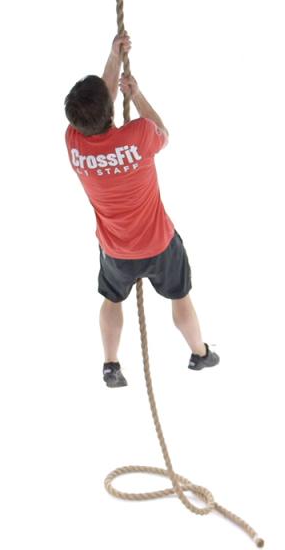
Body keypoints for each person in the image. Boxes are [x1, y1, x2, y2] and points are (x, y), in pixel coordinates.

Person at [64, 32, 220, 388]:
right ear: (110, 111)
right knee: (180, 296)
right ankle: (199, 352)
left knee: (111, 299)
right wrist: (136, 95)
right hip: (159, 243)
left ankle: (110, 364)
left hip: (116, 249)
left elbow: (100, 104)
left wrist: (113, 56)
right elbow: (163, 130)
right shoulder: (140, 135)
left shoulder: (74, 145)